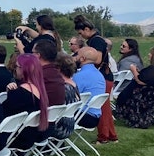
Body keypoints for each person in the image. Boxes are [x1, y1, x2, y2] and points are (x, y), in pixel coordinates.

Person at [73, 14, 118, 143]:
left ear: (87, 29)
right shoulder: (95, 40)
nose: (81, 36)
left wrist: (83, 56)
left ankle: (103, 136)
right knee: (105, 108)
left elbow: (96, 59)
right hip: (103, 76)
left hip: (102, 76)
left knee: (101, 108)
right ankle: (111, 135)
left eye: (81, 33)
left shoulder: (96, 41)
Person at [1, 53, 50, 150]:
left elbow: (2, 112)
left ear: (24, 70)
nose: (15, 69)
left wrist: (10, 93)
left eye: (17, 66)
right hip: (29, 135)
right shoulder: (40, 89)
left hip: (15, 138)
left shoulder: (20, 93)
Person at [72, 47, 106, 128]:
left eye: (77, 55)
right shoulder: (99, 75)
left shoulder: (80, 76)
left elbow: (71, 96)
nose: (75, 58)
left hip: (83, 115)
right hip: (95, 115)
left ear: (82, 59)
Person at [32, 38, 67, 106]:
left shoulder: (39, 75)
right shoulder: (57, 74)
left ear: (38, 55)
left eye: (33, 52)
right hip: (55, 114)